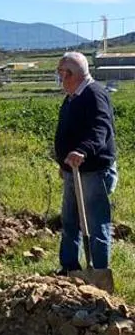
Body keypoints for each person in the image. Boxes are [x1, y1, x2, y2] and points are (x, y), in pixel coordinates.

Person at [54, 51, 118, 275]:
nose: (61, 80)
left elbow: (101, 128)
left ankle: (99, 271)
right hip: (73, 170)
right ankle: (69, 268)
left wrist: (82, 151)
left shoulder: (94, 94)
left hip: (92, 171)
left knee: (94, 222)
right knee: (70, 221)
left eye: (62, 74)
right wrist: (64, 165)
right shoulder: (73, 96)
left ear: (73, 74)